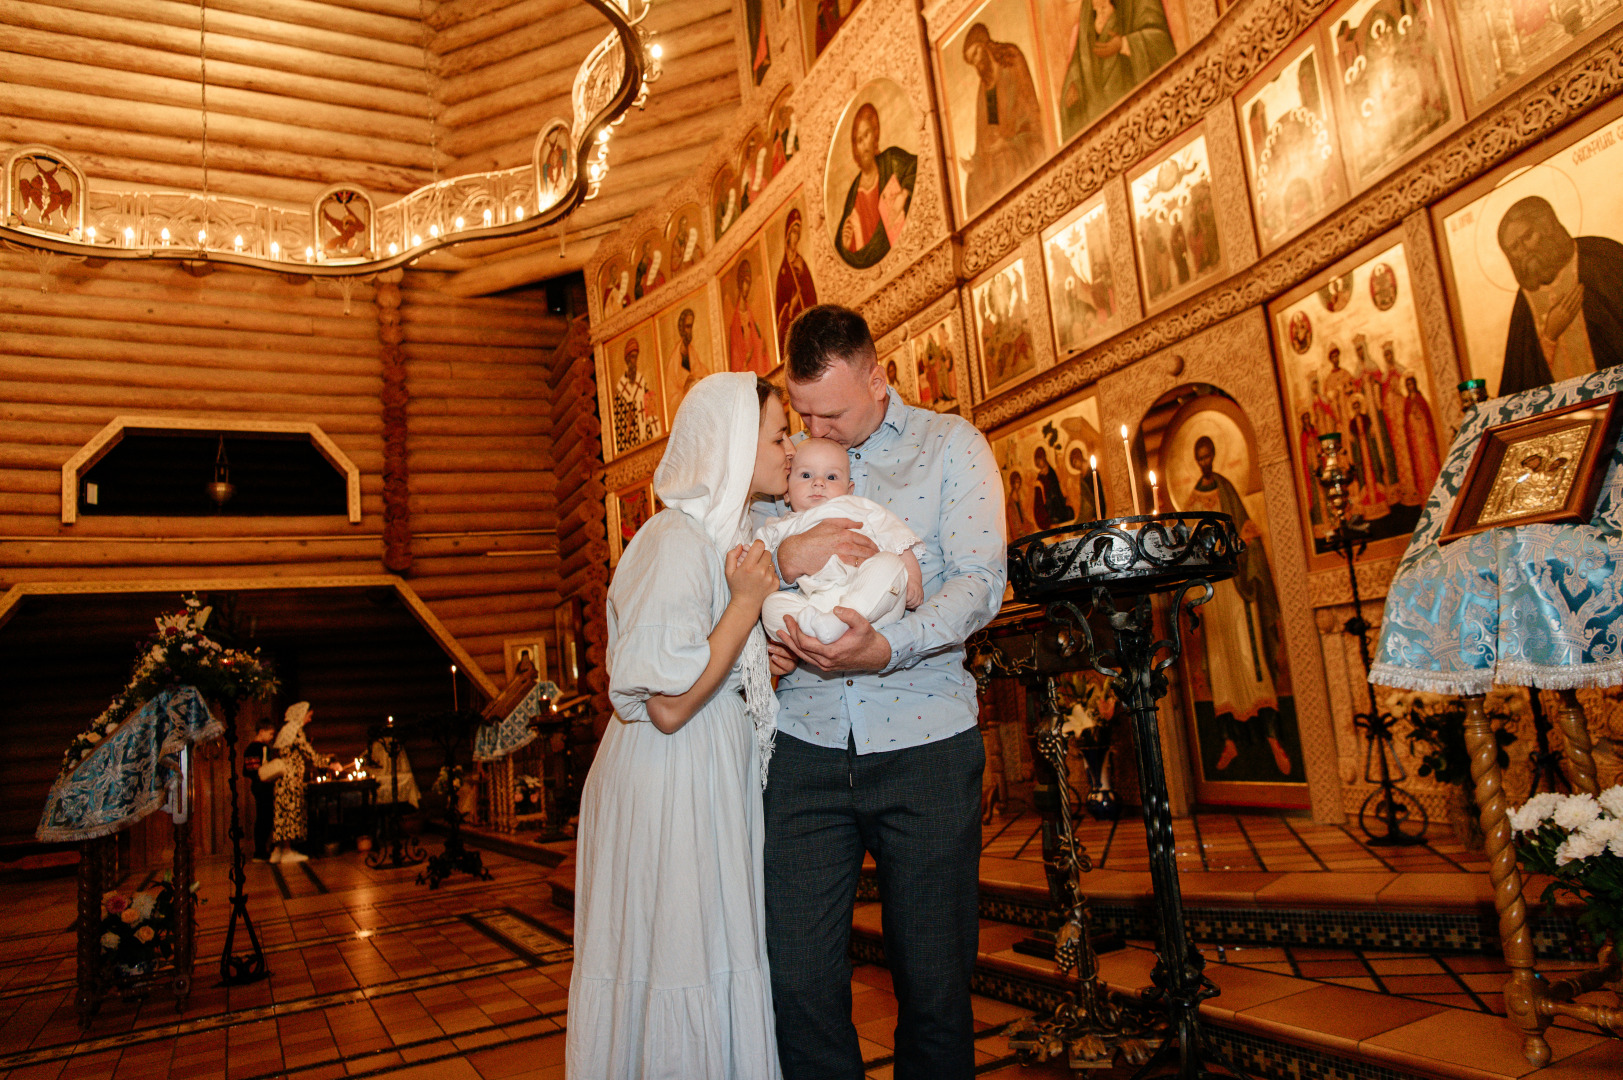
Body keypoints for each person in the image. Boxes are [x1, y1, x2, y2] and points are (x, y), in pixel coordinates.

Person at [764, 304, 1005, 1078]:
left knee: (933, 982)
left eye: (829, 411)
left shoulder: (950, 448)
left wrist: (887, 647)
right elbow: (743, 572)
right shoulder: (783, 464)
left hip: (924, 741)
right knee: (797, 979)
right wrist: (770, 617)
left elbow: (978, 582)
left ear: (877, 376)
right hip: (801, 746)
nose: (813, 430)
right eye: (801, 413)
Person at [566, 372, 793, 1078]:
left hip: (703, 773)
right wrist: (748, 605)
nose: (792, 447)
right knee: (680, 956)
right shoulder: (672, 538)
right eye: (780, 434)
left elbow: (710, 662)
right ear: (733, 442)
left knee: (704, 950)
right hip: (672, 779)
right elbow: (665, 704)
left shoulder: (720, 539)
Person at [1182, 436, 1292, 778]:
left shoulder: (1227, 489)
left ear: (1214, 456)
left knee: (1251, 658)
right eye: (1198, 458)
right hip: (1212, 594)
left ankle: (1273, 737)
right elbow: (1187, 552)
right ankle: (1229, 741)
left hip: (1238, 586)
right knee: (1222, 664)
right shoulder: (1190, 502)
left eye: (1207, 456)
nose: (1204, 462)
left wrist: (1244, 545)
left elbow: (1248, 533)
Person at [755, 437, 924, 645]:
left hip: (871, 604)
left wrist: (914, 579)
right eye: (806, 475)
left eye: (832, 477)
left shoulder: (860, 507)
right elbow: (757, 559)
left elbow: (897, 538)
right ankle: (822, 628)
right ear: (787, 492)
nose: (818, 482)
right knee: (771, 606)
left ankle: (841, 621)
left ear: (849, 490)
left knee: (891, 563)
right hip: (814, 603)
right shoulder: (779, 526)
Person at [1494, 196, 1623, 395]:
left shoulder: (1603, 257)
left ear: (1548, 227)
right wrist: (1549, 337)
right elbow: (1518, 390)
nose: (1525, 250)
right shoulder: (1524, 301)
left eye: (1527, 236)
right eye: (1515, 248)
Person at [1059, 0, 1175, 140]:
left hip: (1141, 114)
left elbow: (1160, 40)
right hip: (1104, 128)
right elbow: (1081, 55)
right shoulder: (1088, 7)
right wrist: (1074, 82)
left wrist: (1124, 44)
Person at [959, 23, 1044, 216]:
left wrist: (1009, 142)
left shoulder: (1011, 60)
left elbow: (1029, 112)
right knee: (973, 186)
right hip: (1000, 152)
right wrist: (976, 162)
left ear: (985, 44)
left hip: (1025, 141)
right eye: (971, 61)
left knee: (1007, 162)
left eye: (976, 54)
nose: (976, 64)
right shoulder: (986, 87)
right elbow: (990, 130)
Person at [834, 104, 917, 270]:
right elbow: (845, 251)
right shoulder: (854, 192)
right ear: (855, 148)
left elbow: (916, 167)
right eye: (859, 140)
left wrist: (904, 194)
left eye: (867, 134)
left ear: (875, 135)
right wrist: (846, 245)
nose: (864, 144)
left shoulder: (891, 160)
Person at [271, 701, 323, 864]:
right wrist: (327, 763)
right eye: (309, 716)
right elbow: (309, 752)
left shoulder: (286, 730)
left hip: (282, 780)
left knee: (282, 813)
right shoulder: (295, 731)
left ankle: (278, 849)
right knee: (290, 813)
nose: (309, 720)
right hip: (290, 780)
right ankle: (286, 850)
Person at [774, 209, 819, 353]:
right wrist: (791, 306)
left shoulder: (802, 264)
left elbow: (812, 296)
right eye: (793, 232)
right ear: (787, 235)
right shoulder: (783, 271)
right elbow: (779, 312)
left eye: (798, 233)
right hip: (795, 330)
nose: (796, 237)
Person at [241, 719, 278, 862]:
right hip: (262, 785)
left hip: (259, 785)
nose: (271, 737)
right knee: (264, 817)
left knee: (265, 817)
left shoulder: (252, 748)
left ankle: (262, 849)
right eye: (270, 734)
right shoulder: (259, 748)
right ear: (261, 732)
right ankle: (260, 851)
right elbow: (255, 770)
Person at [729, 259, 772, 375]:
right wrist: (745, 361)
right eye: (745, 282)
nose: (747, 287)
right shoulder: (735, 323)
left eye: (749, 282)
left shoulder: (751, 315)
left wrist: (762, 342)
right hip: (747, 371)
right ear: (740, 283)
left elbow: (757, 336)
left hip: (757, 366)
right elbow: (735, 359)